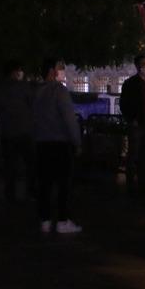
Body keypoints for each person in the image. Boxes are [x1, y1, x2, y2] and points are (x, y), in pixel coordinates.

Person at [32, 58, 82, 235]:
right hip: (60, 143)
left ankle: (44, 220)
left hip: (41, 143)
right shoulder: (59, 91)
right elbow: (69, 119)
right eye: (60, 68)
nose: (63, 71)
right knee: (63, 184)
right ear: (52, 71)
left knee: (44, 183)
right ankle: (62, 220)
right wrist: (77, 141)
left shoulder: (36, 92)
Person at [0, 59, 35, 203]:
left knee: (10, 166)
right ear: (14, 71)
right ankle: (30, 192)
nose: (21, 72)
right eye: (19, 70)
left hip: (7, 131)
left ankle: (10, 195)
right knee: (31, 164)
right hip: (24, 131)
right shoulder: (24, 87)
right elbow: (32, 104)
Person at [119, 55, 145, 200]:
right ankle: (131, 185)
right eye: (143, 64)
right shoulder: (130, 83)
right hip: (137, 123)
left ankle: (144, 183)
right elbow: (124, 104)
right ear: (137, 66)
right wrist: (132, 119)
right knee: (133, 154)